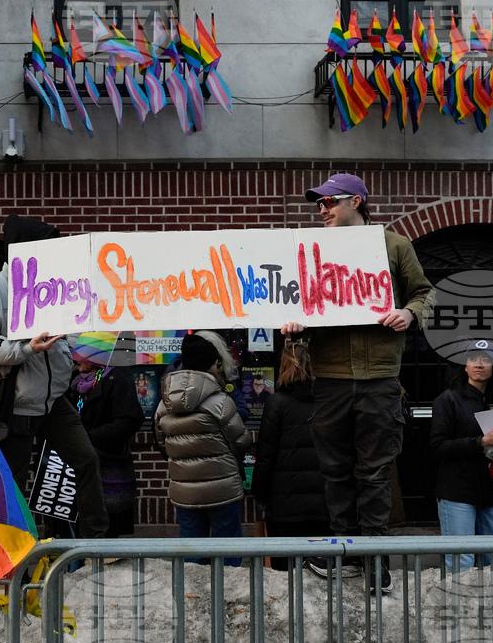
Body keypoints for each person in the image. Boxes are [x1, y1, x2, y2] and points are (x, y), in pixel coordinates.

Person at [281, 173, 435, 594]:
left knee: (375, 470)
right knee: (334, 470)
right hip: (330, 378)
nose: (322, 210)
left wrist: (409, 313)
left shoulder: (395, 245)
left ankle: (375, 557)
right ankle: (344, 552)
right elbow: (299, 303)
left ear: (357, 201)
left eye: (330, 202)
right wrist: (296, 326)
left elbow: (425, 293)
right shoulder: (310, 250)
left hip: (380, 378)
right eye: (319, 204)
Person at [0, 215, 109, 539]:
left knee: (86, 460)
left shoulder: (50, 287)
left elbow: (64, 336)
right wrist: (25, 349)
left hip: (52, 401)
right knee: (13, 484)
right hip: (9, 403)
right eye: (44, 247)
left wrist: (75, 357)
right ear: (22, 251)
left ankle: (96, 543)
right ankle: (11, 556)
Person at [154, 332, 252, 566]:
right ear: (211, 365)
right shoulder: (220, 402)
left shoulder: (163, 404)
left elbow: (162, 445)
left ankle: (192, 599)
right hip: (222, 489)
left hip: (184, 488)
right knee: (227, 551)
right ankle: (227, 599)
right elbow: (241, 442)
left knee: (191, 551)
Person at [430, 342, 493, 571]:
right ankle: (460, 607)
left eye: (486, 360)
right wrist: (481, 442)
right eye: (473, 360)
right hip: (458, 493)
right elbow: (438, 447)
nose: (479, 365)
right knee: (462, 562)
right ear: (464, 367)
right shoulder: (447, 400)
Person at [251, 342, 331, 572]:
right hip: (325, 505)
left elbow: (265, 456)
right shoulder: (330, 402)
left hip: (284, 507)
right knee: (323, 577)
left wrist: (260, 494)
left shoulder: (277, 403)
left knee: (284, 577)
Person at [64, 348, 145, 538]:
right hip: (78, 461)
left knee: (107, 523)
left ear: (95, 358)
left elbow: (130, 420)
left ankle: (105, 563)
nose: (76, 362)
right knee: (76, 521)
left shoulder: (117, 378)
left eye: (81, 358)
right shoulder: (76, 380)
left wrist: (90, 438)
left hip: (109, 462)